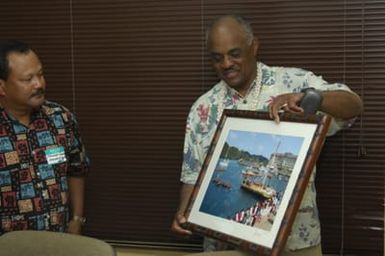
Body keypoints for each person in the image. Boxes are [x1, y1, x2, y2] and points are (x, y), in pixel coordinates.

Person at [171, 15, 363, 255]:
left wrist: (310, 97)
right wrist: (184, 211)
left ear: (254, 46)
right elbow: (192, 175)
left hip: (296, 243)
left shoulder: (293, 81)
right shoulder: (202, 108)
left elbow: (354, 105)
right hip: (223, 244)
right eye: (217, 58)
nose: (226, 63)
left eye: (235, 53)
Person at [0, 40, 90, 235]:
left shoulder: (61, 118)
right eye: (27, 79)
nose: (39, 84)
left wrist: (77, 219)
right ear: (2, 87)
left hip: (58, 241)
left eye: (40, 75)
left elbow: (77, 170)